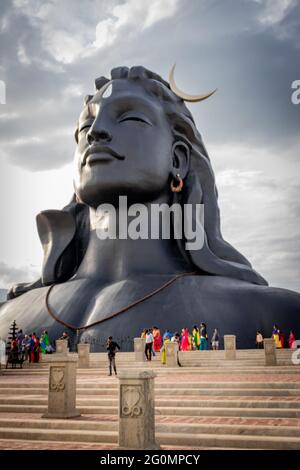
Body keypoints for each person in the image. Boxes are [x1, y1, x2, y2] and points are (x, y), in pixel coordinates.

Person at [2, 65, 300, 348]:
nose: (96, 132)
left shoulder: (272, 310)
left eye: (130, 118)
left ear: (177, 160)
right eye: (86, 126)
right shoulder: (9, 313)